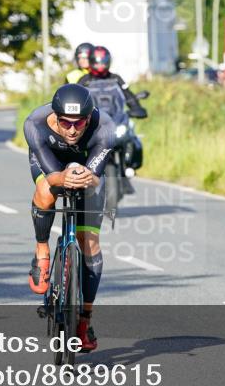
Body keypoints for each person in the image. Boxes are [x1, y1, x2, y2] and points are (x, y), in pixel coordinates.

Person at [23, 83, 116, 352]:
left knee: (90, 243)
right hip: (51, 161)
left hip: (88, 166)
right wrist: (62, 177)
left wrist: (87, 178)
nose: (72, 129)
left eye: (79, 123)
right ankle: (42, 251)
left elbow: (96, 178)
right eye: (65, 122)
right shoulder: (35, 124)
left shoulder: (105, 129)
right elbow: (52, 176)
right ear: (55, 117)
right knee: (45, 189)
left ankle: (85, 320)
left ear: (89, 118)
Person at [77, 45, 147, 118]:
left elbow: (127, 94)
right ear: (91, 61)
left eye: (103, 62)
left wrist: (136, 107)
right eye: (97, 62)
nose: (100, 65)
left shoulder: (116, 78)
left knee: (130, 127)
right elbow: (76, 99)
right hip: (91, 121)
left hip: (116, 119)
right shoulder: (84, 80)